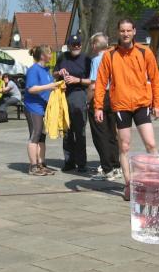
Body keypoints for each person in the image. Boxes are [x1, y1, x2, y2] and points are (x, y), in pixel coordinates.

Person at [93, 18, 159, 200]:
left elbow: (155, 79)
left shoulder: (144, 52)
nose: (125, 34)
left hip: (141, 104)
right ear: (118, 32)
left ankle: (156, 183)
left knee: (151, 144)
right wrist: (98, 106)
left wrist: (158, 104)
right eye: (122, 31)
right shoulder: (110, 55)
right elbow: (100, 82)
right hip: (121, 106)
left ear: (134, 31)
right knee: (124, 146)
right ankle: (129, 185)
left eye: (128, 30)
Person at [54, 33, 92, 172]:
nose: (76, 47)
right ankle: (69, 161)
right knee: (66, 130)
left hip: (79, 94)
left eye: (78, 44)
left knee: (79, 130)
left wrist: (78, 80)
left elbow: (92, 80)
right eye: (73, 44)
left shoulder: (87, 59)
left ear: (81, 45)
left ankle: (81, 163)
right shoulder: (62, 57)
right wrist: (59, 73)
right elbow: (54, 74)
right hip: (63, 95)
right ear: (69, 46)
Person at [87, 32, 121, 181]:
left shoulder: (97, 60)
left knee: (100, 134)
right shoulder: (115, 56)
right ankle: (116, 166)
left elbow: (94, 85)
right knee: (112, 133)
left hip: (100, 97)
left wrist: (88, 101)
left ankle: (107, 169)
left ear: (95, 45)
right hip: (114, 96)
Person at [23, 45, 60, 176]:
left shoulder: (46, 70)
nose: (51, 55)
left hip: (44, 107)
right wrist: (49, 86)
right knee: (35, 134)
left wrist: (57, 85)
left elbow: (48, 86)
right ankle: (33, 166)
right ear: (43, 56)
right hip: (33, 107)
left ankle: (41, 164)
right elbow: (31, 89)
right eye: (49, 53)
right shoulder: (34, 70)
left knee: (42, 136)